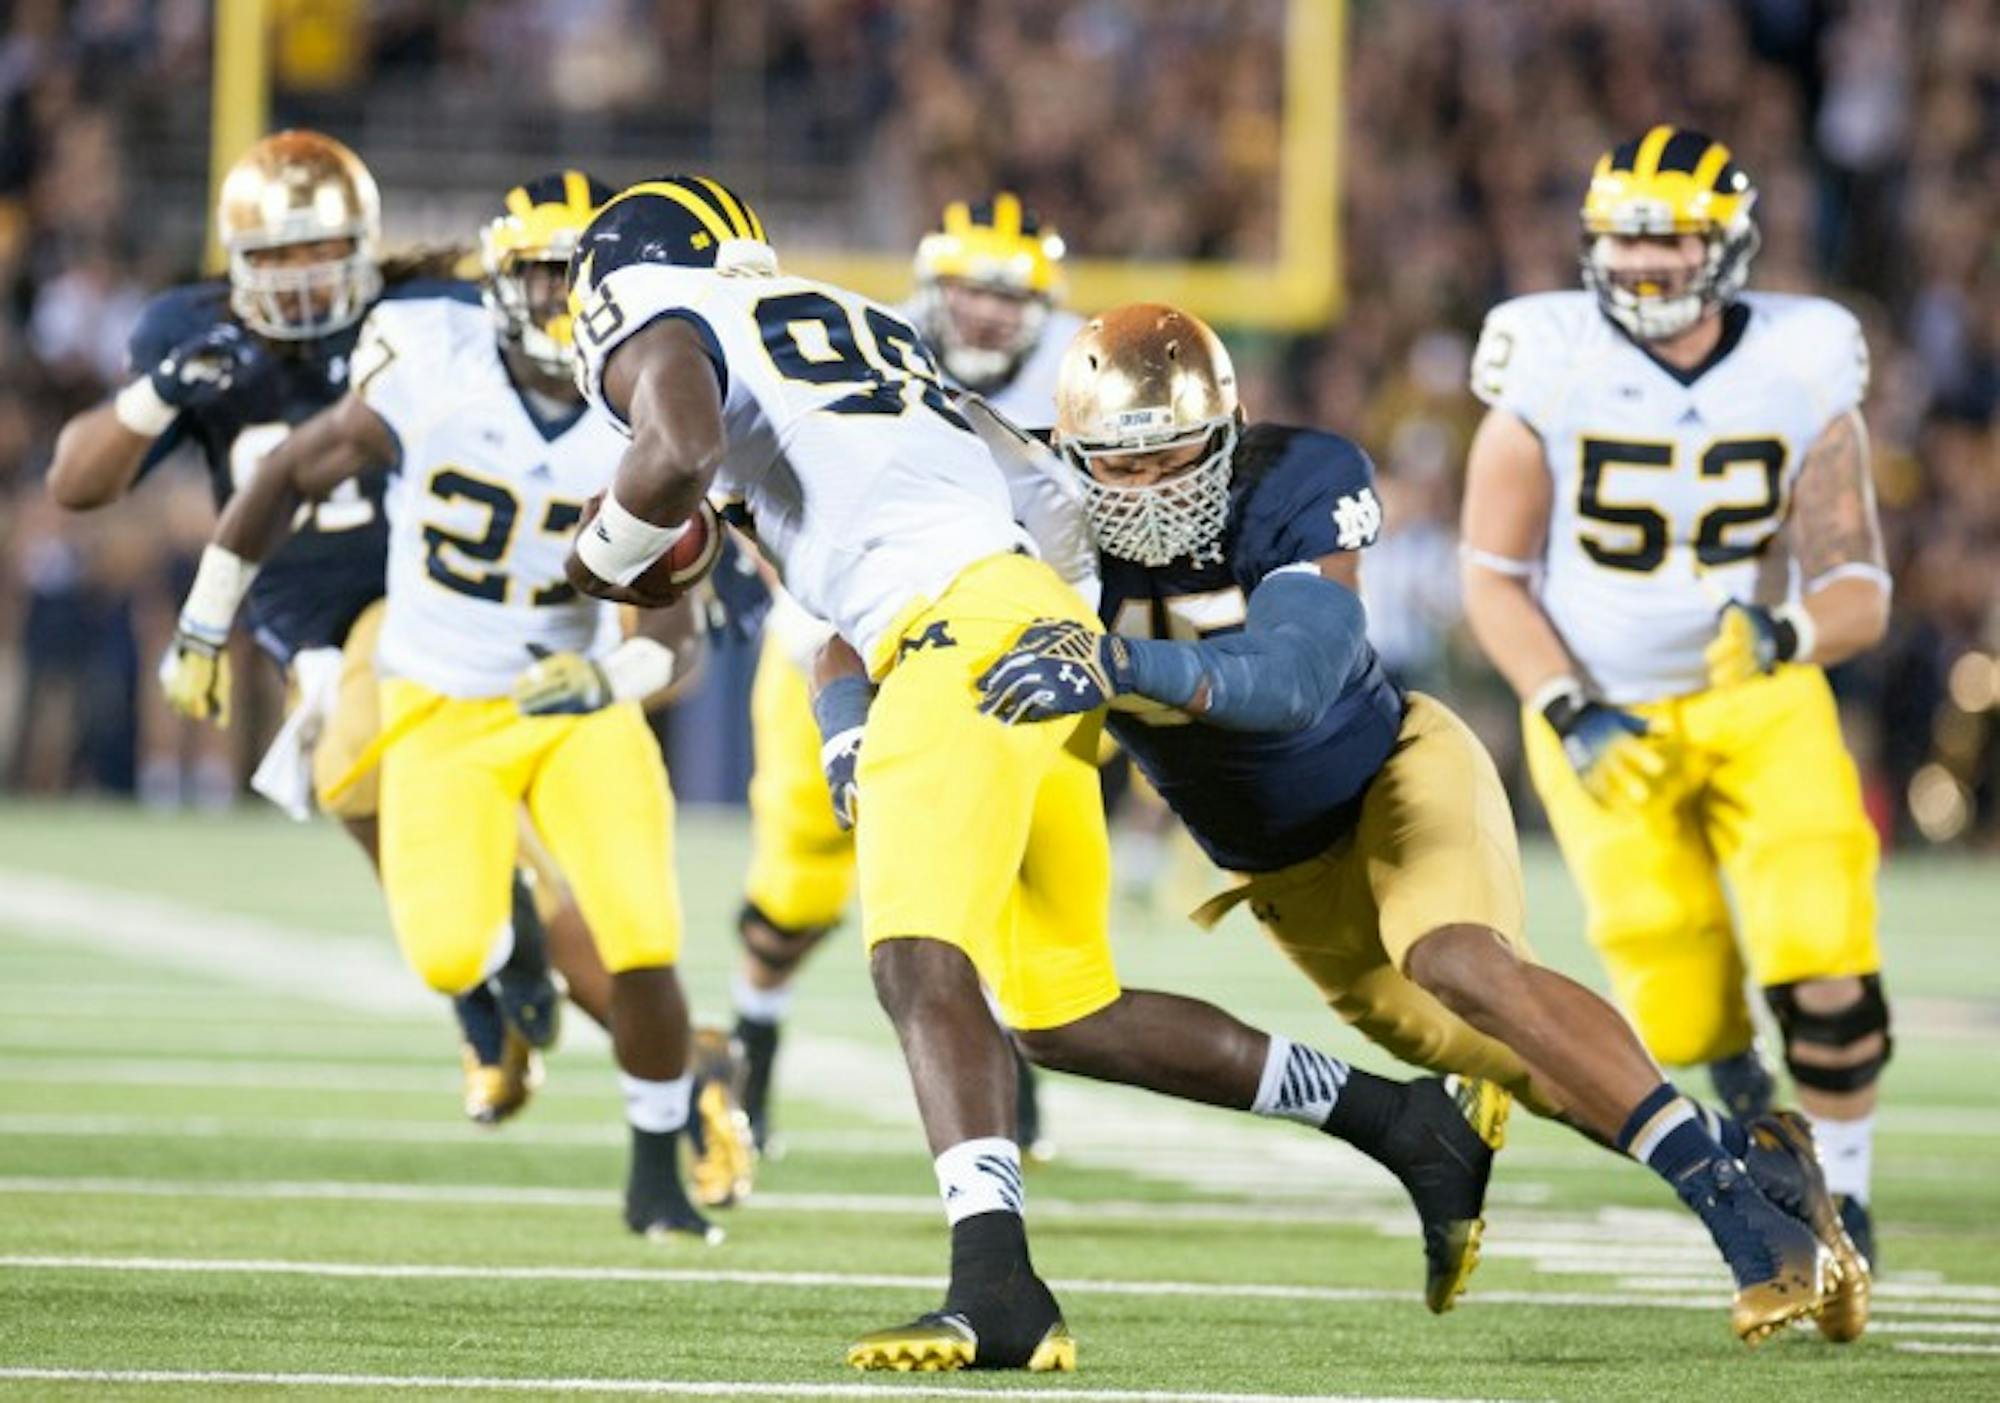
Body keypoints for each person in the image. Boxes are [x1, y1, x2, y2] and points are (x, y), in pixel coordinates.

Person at [562, 175, 1506, 1372]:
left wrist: (602, 556)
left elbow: (677, 451)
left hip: (958, 633)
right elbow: (980, 520)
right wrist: (866, 714)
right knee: (1063, 1010)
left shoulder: (666, 308)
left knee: (915, 955)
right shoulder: (856, 333)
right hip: (1010, 619)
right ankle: (1404, 1122)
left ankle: (995, 1283)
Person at [966, 300, 1856, 1347]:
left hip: (1393, 771)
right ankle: (1761, 1159)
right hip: (1278, 869)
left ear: (1229, 430)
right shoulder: (1026, 520)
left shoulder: (1297, 479)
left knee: (1460, 961)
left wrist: (1116, 663)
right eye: (1116, 465)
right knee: (1524, 1061)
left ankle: (1737, 1216)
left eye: (1172, 456)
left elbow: (1295, 678)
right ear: (1070, 454)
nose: (1145, 488)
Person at [162, 171, 722, 1241]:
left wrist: (612, 679)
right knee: (445, 953)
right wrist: (204, 616)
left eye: (582, 278)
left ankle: (658, 1166)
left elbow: (678, 634)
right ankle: (508, 940)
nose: (563, 300)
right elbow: (286, 469)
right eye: (542, 276)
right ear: (498, 283)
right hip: (437, 698)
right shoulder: (429, 359)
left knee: (643, 933)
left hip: (574, 704)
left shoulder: (663, 403)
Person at [1459, 126, 1889, 1339]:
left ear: (1726, 244)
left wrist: (1787, 635)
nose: (1643, 266)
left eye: (1669, 240)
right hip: (1596, 703)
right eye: (1623, 241)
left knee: (1820, 938)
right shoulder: (1544, 359)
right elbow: (1491, 574)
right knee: (1675, 984)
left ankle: (1847, 1190)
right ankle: (1769, 1136)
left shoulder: (1803, 364)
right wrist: (1559, 701)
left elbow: (1858, 582)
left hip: (1750, 690)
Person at [48, 131, 572, 1123]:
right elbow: (76, 481)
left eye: (316, 249)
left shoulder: (430, 313)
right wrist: (159, 388)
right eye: (275, 255)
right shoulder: (191, 328)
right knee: (367, 802)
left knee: (361, 762)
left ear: (363, 244)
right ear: (236, 260)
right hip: (308, 629)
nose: (296, 278)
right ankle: (488, 974)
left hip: (438, 599)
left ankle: (545, 1000)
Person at [729, 192, 1083, 1158]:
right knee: (800, 883)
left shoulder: (1074, 381)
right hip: (829, 622)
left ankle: (1014, 1043)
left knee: (1004, 850)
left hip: (983, 632)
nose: (987, 313)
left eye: (1009, 296)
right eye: (969, 289)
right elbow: (764, 496)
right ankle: (753, 1034)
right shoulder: (866, 344)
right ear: (931, 289)